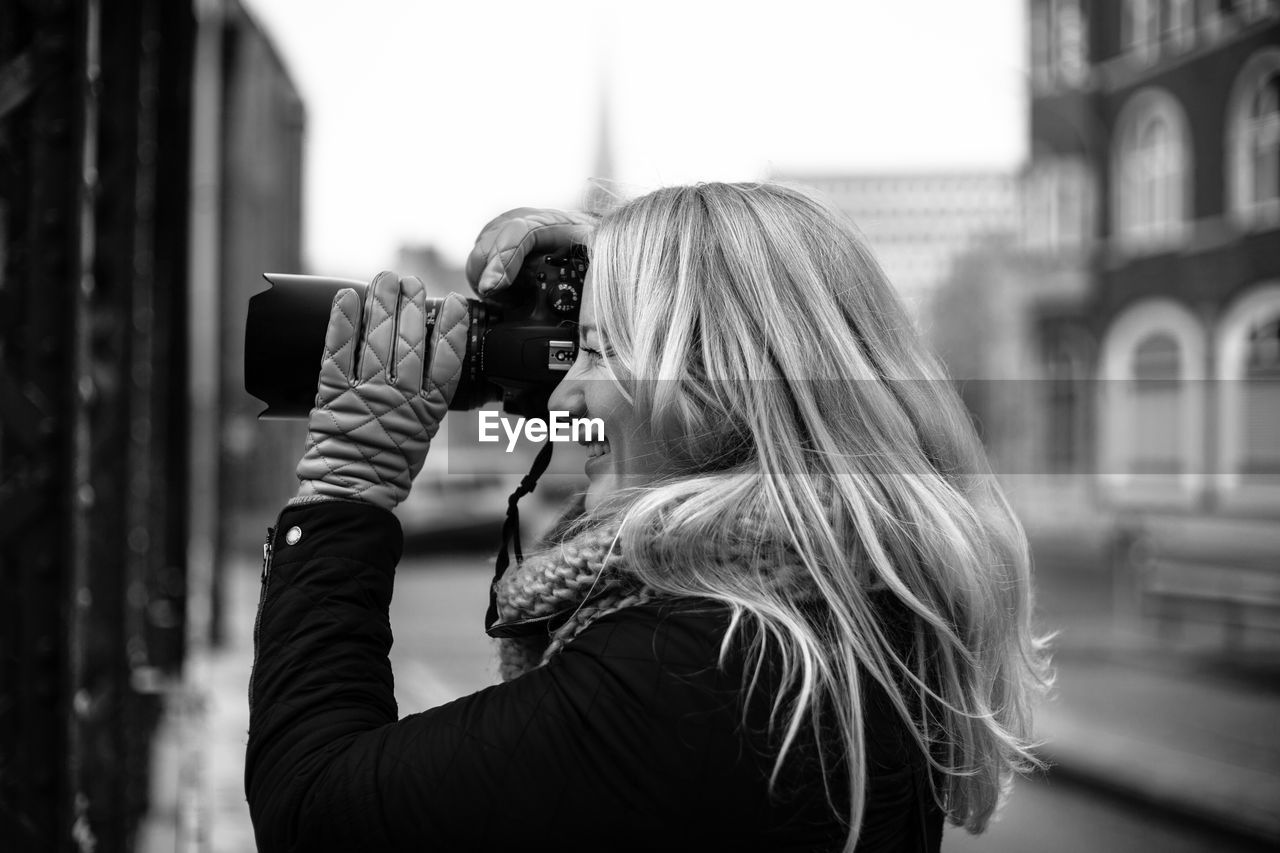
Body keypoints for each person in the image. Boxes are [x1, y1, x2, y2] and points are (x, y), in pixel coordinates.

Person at [245, 182, 1053, 852]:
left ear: (715, 387)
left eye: (597, 351)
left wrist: (345, 490)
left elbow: (315, 810)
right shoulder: (847, 604)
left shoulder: (692, 670)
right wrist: (631, 258)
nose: (561, 398)